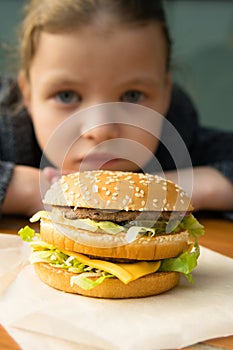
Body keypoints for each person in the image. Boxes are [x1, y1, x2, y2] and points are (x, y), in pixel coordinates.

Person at [0, 0, 233, 217]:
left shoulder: (179, 135)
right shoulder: (7, 128)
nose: (101, 131)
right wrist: (26, 189)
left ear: (165, 94)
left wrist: (177, 188)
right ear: (28, 95)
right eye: (66, 96)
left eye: (132, 96)